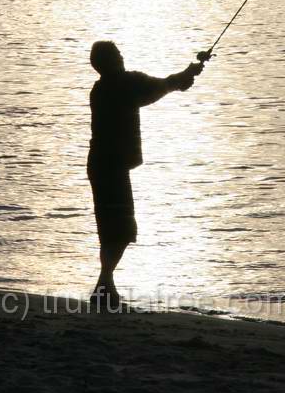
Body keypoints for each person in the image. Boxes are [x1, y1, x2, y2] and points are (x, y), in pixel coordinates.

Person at [87, 40, 204, 309]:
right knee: (121, 229)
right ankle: (104, 284)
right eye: (116, 54)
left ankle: (105, 287)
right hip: (111, 167)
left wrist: (183, 77)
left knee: (111, 229)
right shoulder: (123, 84)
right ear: (109, 61)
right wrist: (186, 75)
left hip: (101, 164)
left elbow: (160, 87)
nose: (121, 56)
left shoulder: (101, 88)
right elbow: (160, 87)